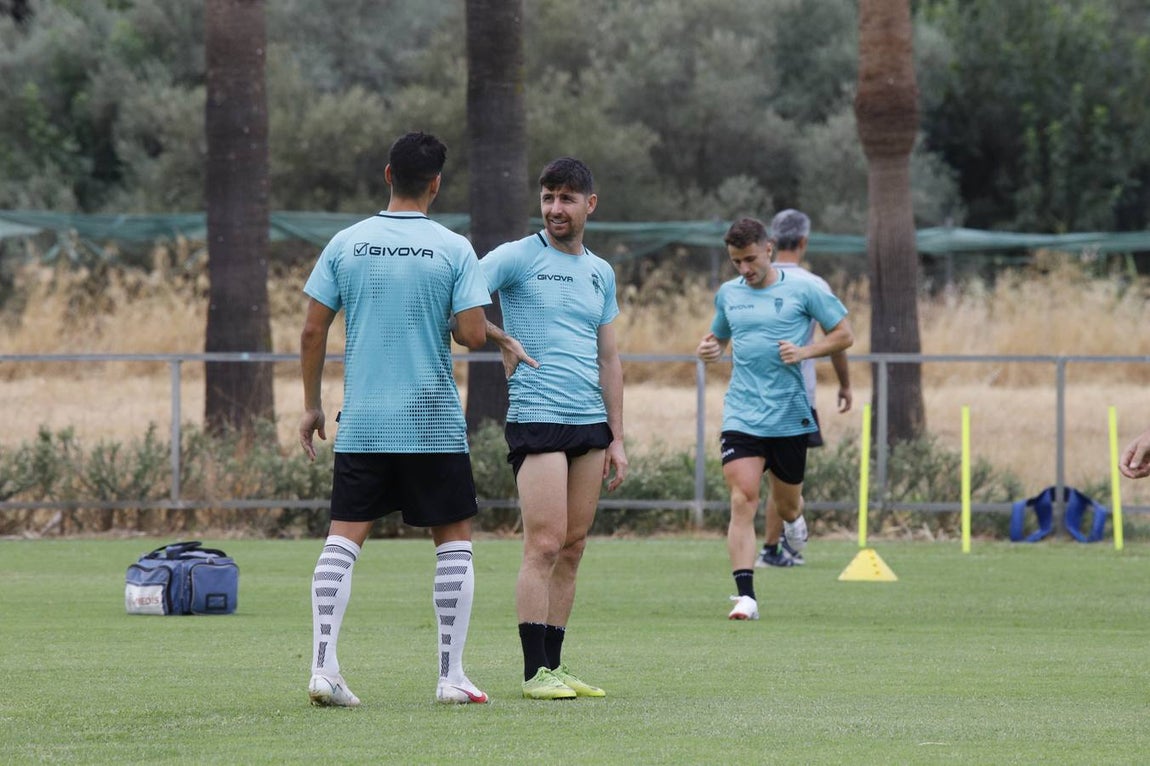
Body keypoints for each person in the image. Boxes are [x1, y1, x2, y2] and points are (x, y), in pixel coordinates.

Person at [298, 131, 521, 707]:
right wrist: (486, 328)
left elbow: (311, 329)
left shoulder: (347, 243)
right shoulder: (453, 248)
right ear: (437, 184)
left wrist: (311, 404)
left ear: (388, 173)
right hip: (430, 421)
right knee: (453, 544)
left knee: (342, 541)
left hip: (366, 420)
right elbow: (471, 334)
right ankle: (451, 677)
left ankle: (323, 666)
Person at [479, 157, 628, 700]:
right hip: (537, 417)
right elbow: (459, 303)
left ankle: (556, 667)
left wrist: (616, 436)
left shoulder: (600, 272)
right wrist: (499, 337)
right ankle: (532, 673)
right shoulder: (517, 256)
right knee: (542, 543)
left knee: (573, 545)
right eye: (548, 197)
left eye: (567, 198)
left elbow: (609, 360)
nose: (555, 209)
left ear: (590, 204)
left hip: (590, 423)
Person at [697, 217, 853, 620]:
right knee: (742, 496)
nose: (744, 269)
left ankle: (795, 521)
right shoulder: (729, 294)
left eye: (750, 259)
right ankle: (746, 596)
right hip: (742, 413)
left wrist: (804, 352)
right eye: (736, 262)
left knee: (785, 506)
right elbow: (717, 339)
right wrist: (709, 350)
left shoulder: (805, 289)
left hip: (789, 415)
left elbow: (844, 335)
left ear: (769, 249)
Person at [755, 209, 853, 568]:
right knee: (786, 481)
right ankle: (781, 545)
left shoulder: (756, 279)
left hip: (753, 399)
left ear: (772, 241)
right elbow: (837, 338)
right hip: (796, 400)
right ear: (805, 241)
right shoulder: (813, 284)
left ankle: (771, 549)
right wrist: (845, 384)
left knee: (767, 479)